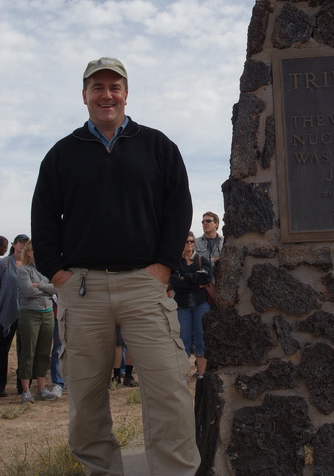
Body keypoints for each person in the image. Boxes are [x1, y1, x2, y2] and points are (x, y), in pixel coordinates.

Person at [31, 56, 200, 476]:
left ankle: (175, 472)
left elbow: (178, 210)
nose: (106, 95)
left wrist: (162, 268)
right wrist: (59, 276)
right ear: (84, 95)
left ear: (126, 93)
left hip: (146, 286)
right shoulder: (61, 154)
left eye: (114, 87)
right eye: (97, 87)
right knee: (86, 400)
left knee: (169, 394)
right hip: (82, 290)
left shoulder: (159, 146)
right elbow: (43, 220)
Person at [17, 240, 57, 403]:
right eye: (35, 250)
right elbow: (27, 291)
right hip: (30, 314)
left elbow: (55, 288)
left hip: (47, 313)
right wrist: (46, 289)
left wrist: (39, 285)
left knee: (44, 351)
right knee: (28, 351)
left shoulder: (46, 270)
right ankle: (26, 391)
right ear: (28, 253)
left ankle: (42, 389)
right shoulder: (23, 270)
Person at [170, 232, 213, 379]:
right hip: (182, 306)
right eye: (186, 241)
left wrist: (185, 277)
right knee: (183, 339)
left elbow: (207, 277)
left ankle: (202, 374)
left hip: (201, 304)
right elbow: (175, 283)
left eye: (191, 241)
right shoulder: (175, 263)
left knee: (202, 337)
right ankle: (183, 375)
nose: (189, 244)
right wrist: (196, 282)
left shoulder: (202, 260)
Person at [0, 234, 28, 397]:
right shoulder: (3, 264)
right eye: (21, 242)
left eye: (26, 243)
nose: (24, 246)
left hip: (27, 313)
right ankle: (1, 386)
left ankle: (22, 387)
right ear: (14, 244)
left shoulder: (31, 266)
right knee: (3, 350)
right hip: (6, 312)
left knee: (25, 351)